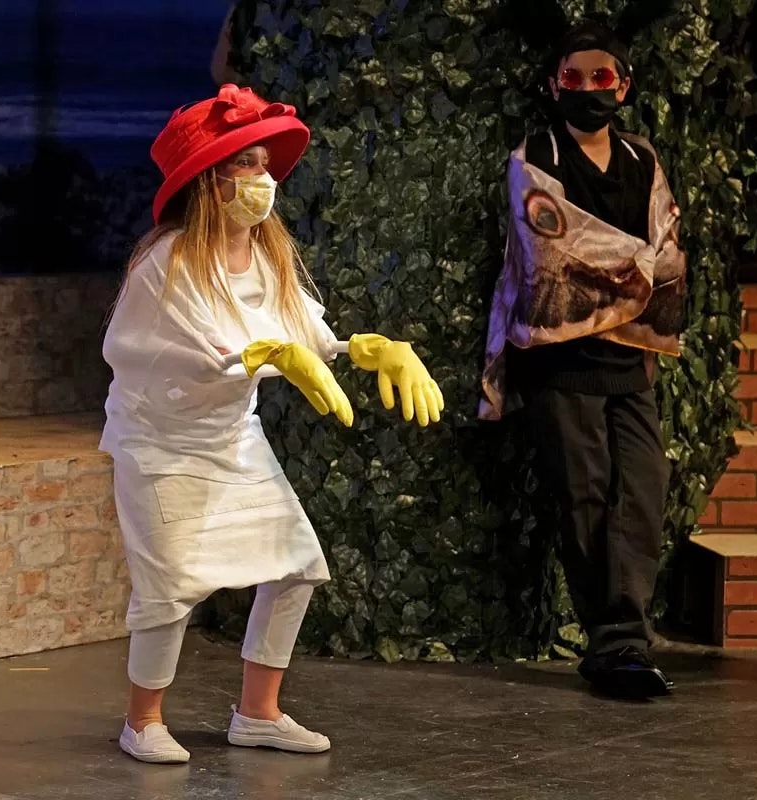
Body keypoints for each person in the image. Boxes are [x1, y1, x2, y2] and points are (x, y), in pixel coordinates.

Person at [101, 84, 444, 764]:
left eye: (264, 164)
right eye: (246, 163)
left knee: (296, 567)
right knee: (170, 588)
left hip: (232, 437)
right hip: (161, 445)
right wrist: (263, 356)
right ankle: (143, 721)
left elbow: (300, 332)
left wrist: (361, 348)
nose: (263, 179)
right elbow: (184, 351)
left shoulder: (265, 254)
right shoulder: (167, 260)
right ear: (209, 179)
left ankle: (258, 713)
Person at [479, 18, 686, 698]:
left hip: (627, 360)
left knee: (643, 492)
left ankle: (624, 639)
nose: (589, 88)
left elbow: (668, 249)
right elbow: (551, 251)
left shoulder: (641, 158)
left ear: (624, 86)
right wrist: (636, 270)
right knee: (585, 498)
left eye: (603, 77)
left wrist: (636, 292)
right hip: (559, 358)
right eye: (575, 77)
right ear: (553, 85)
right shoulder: (535, 155)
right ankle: (616, 645)